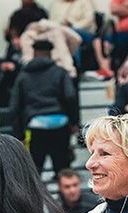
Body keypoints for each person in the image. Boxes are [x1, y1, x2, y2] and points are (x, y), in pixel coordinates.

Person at [11, 39, 78, 173]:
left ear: (34, 53)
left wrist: (19, 133)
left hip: (35, 125)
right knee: (63, 169)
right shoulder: (61, 73)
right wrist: (74, 122)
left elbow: (15, 105)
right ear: (50, 54)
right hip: (60, 124)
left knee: (34, 171)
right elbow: (70, 96)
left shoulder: (23, 76)